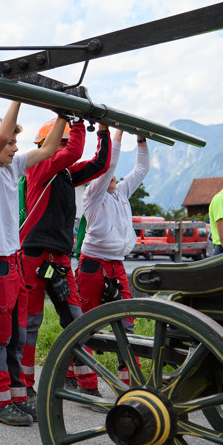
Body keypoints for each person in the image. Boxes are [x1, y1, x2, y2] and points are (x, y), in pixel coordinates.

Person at [0, 101, 62, 425]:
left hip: (13, 259)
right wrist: (18, 95)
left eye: (14, 143)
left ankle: (16, 396)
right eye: (8, 142)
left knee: (16, 335)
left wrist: (64, 115)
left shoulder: (14, 165)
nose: (14, 147)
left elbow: (50, 147)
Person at [19, 115, 110, 402]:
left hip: (58, 256)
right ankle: (24, 386)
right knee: (30, 324)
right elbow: (74, 152)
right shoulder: (38, 166)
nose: (68, 146)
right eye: (63, 141)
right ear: (46, 145)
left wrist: (104, 131)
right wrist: (78, 120)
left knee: (76, 321)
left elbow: (99, 164)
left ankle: (86, 383)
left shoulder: (66, 174)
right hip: (34, 255)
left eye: (68, 140)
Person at [77, 129, 148, 386]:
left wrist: (141, 140)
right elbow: (108, 166)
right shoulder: (94, 196)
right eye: (109, 176)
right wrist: (117, 133)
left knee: (127, 324)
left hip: (116, 266)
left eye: (115, 178)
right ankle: (84, 382)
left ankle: (131, 385)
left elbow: (141, 169)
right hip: (93, 265)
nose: (114, 179)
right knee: (85, 324)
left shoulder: (120, 194)